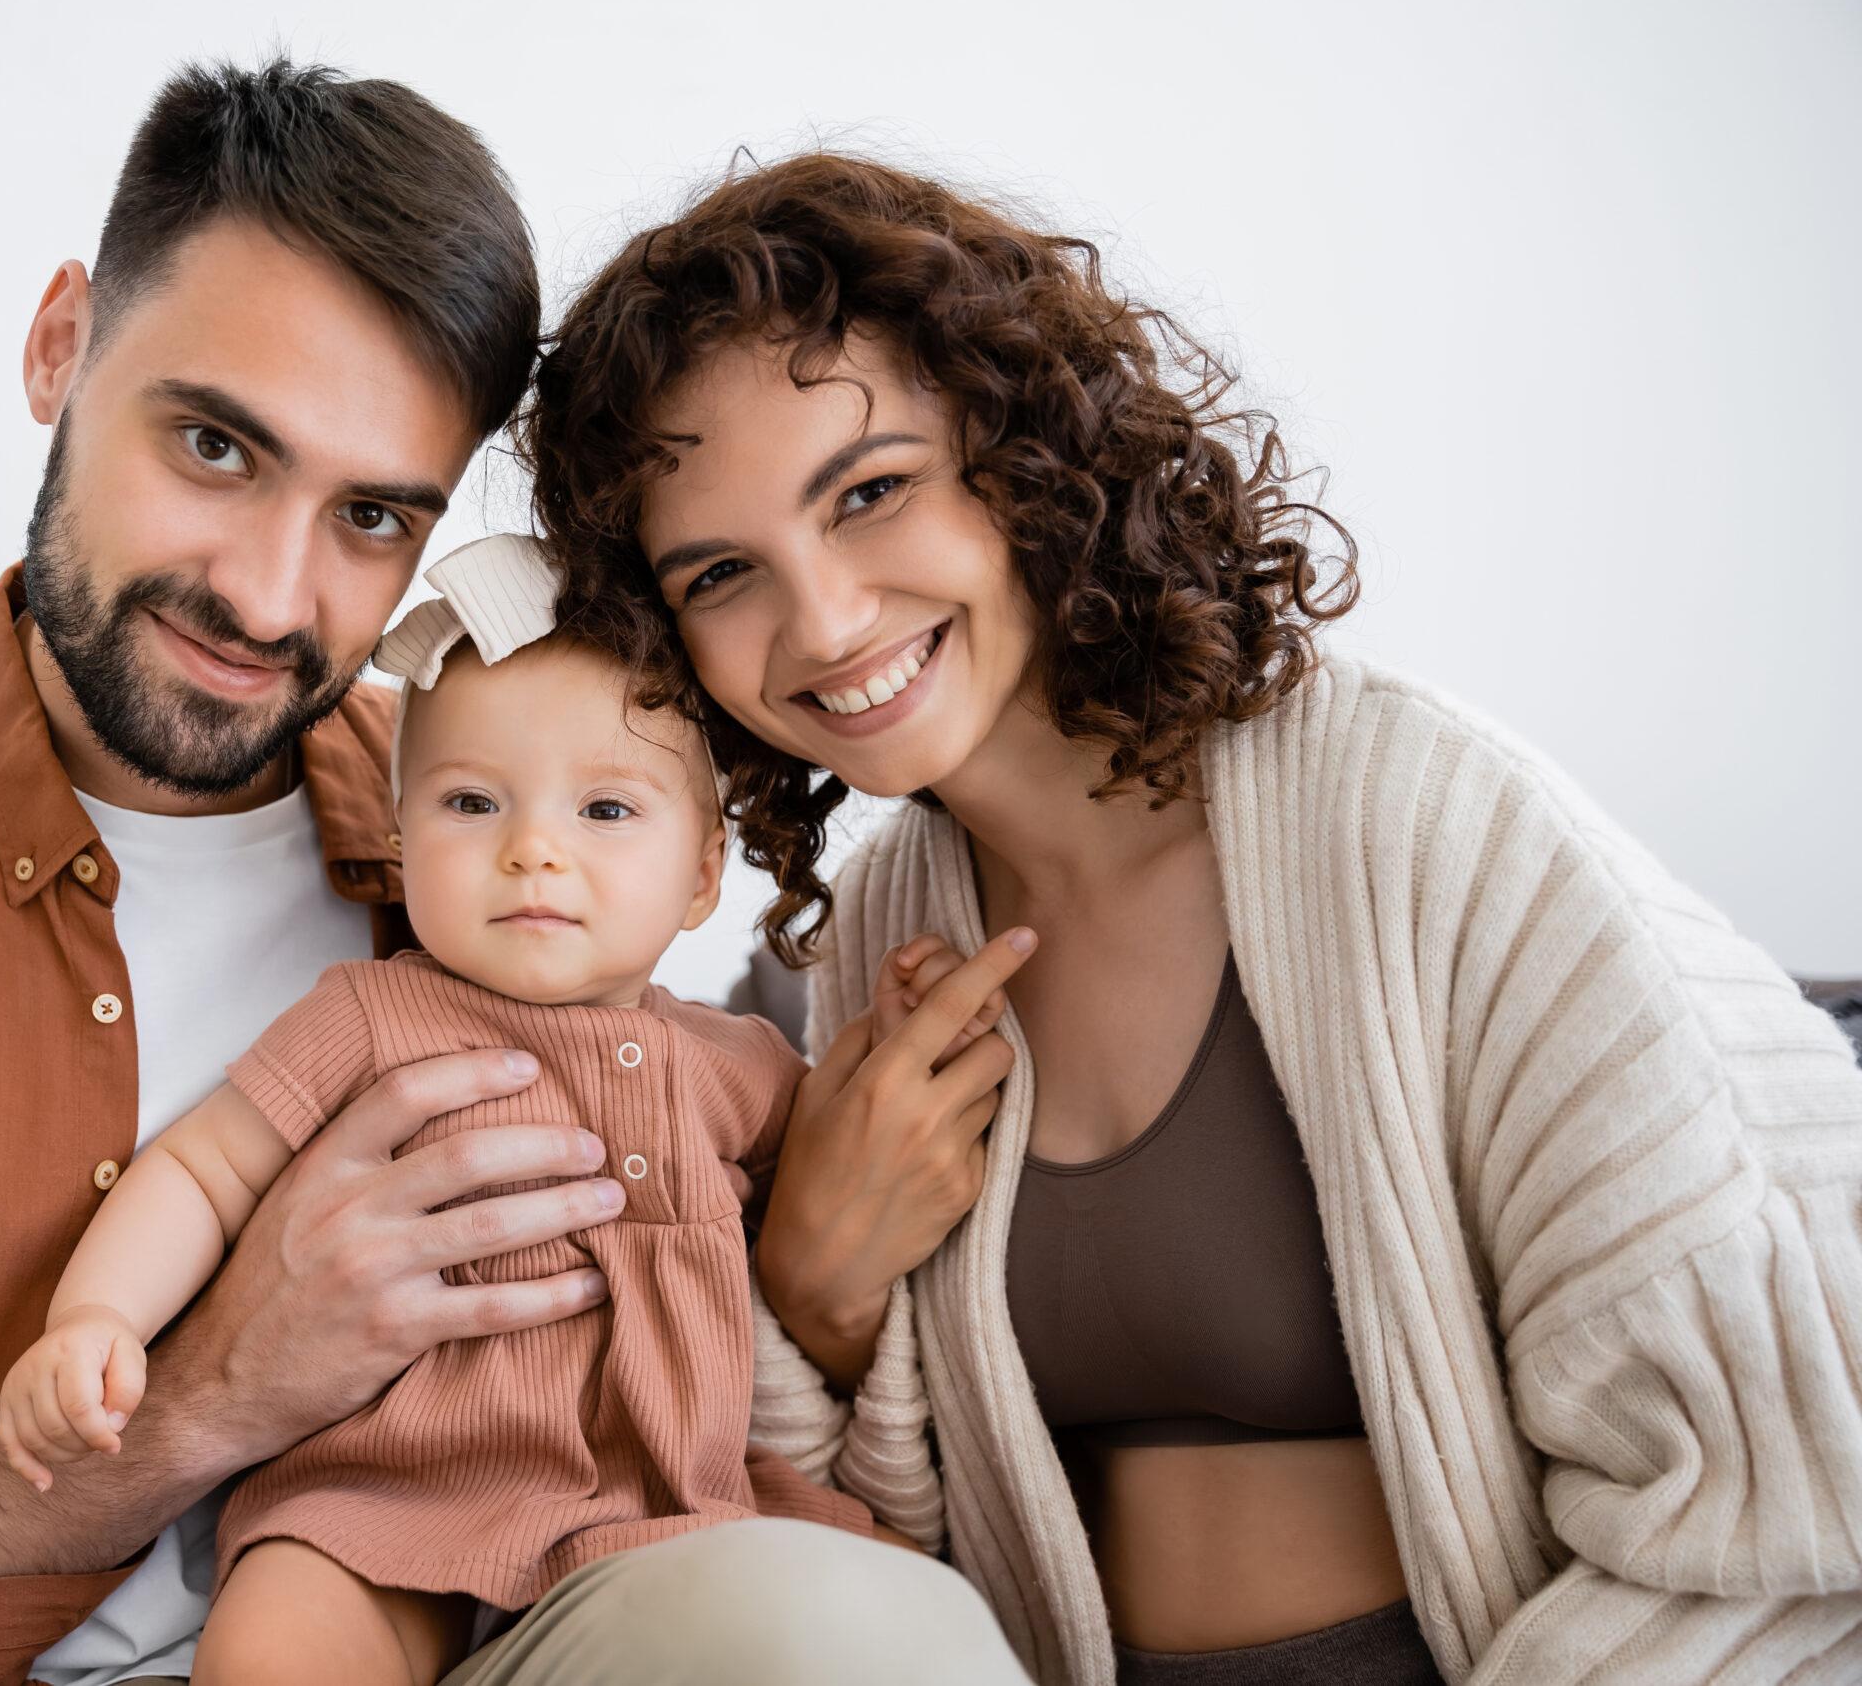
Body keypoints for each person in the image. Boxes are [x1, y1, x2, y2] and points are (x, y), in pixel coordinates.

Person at [0, 72, 1011, 1686]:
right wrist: (201, 1403)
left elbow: (716, 1193)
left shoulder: (514, 826)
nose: (266, 592)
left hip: (519, 1617)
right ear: (60, 346)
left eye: (374, 514)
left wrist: (816, 1270)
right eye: (215, 443)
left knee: (847, 1634)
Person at [522, 151, 1862, 1684]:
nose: (822, 621)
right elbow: (875, 1559)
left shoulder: (1411, 821)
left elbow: (1782, 1487)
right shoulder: (877, 935)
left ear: (1019, 450)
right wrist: (815, 1301)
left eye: (872, 490)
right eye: (722, 573)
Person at [0, 532, 1014, 1684]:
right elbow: (199, 1172)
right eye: (473, 802)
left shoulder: (731, 1064)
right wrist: (96, 1319)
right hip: (384, 1501)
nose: (532, 852)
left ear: (700, 873)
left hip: (653, 1509)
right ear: (398, 837)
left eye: (606, 812)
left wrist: (897, 1020)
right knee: (276, 1646)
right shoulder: (374, 1018)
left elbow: (843, 1146)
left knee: (833, 1622)